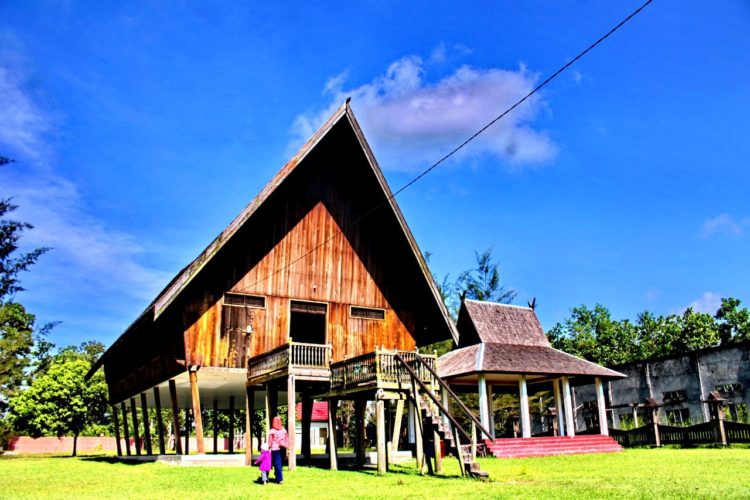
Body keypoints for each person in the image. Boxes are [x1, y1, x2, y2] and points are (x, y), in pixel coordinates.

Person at [268, 416, 289, 484]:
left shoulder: (272, 431)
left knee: (277, 463)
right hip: (283, 448)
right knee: (280, 463)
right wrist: (287, 447)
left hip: (275, 449)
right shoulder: (284, 430)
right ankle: (278, 475)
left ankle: (279, 479)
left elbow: (270, 442)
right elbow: (287, 439)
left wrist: (268, 447)